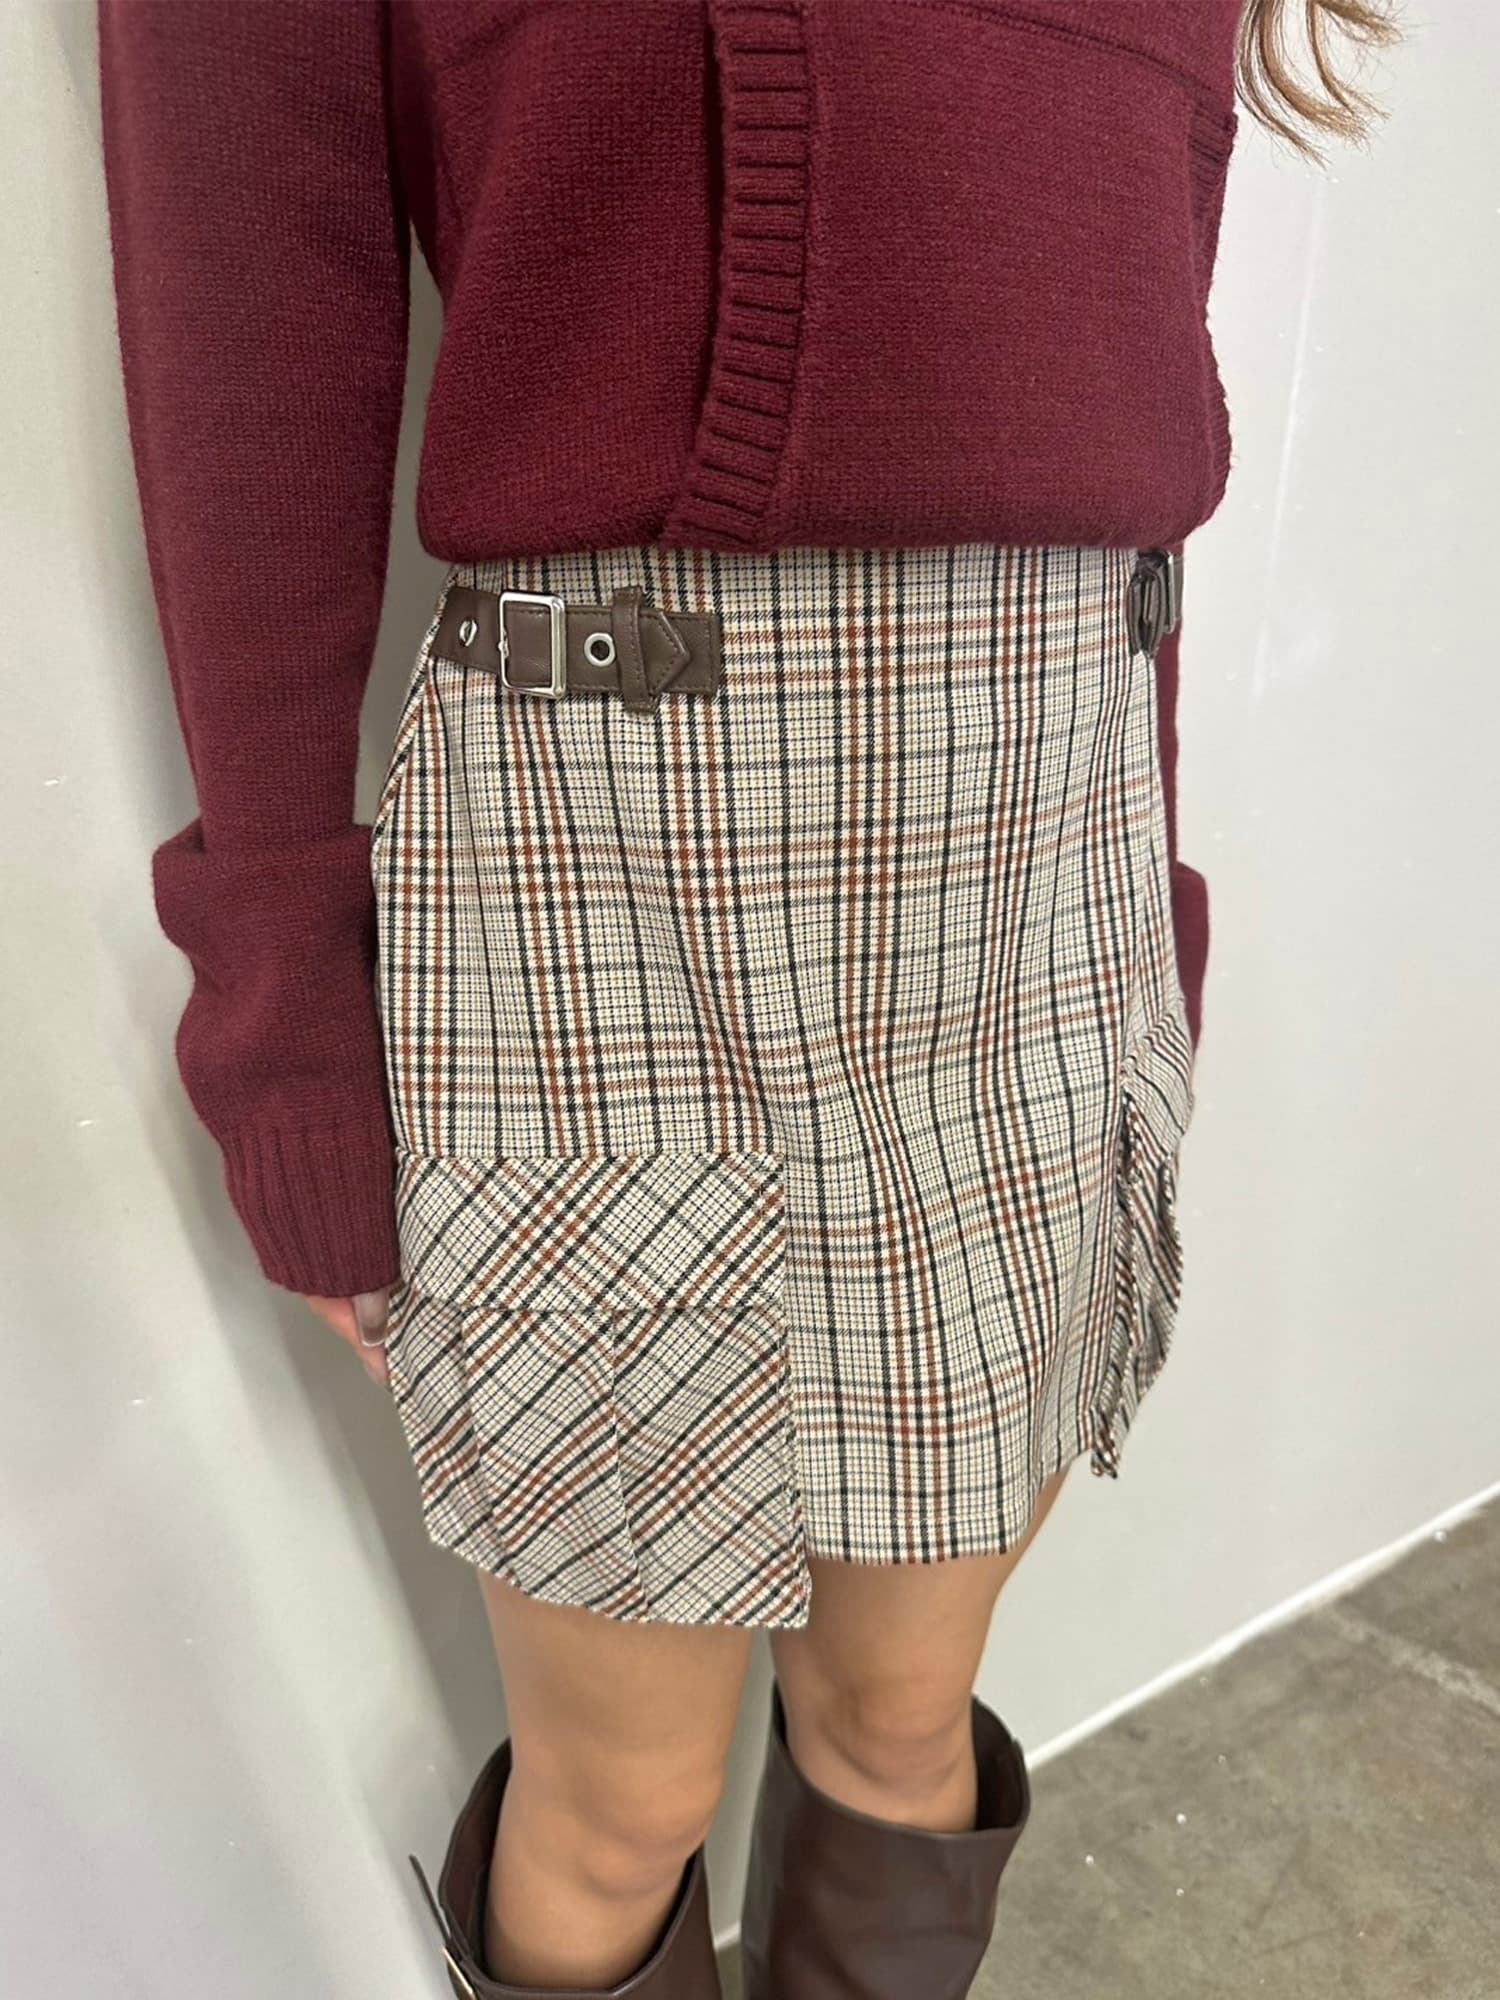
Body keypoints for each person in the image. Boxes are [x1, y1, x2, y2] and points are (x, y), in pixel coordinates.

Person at [96, 4, 1396, 1996]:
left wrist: (1148, 905)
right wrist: (288, 1018)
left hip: (1041, 896)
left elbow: (1121, 384)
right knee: (622, 1804)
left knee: (899, 1716)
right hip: (601, 881)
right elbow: (247, 320)